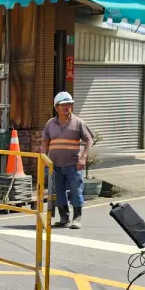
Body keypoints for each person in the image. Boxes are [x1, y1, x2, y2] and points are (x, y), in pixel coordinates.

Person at [41, 91, 94, 229]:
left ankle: (77, 218)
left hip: (73, 165)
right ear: (56, 107)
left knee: (76, 190)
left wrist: (83, 158)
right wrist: (43, 159)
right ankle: (64, 218)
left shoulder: (78, 122)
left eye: (69, 104)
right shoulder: (50, 124)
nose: (66, 107)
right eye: (63, 105)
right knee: (59, 192)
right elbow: (45, 142)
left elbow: (89, 140)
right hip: (55, 165)